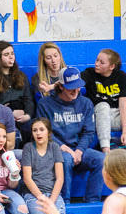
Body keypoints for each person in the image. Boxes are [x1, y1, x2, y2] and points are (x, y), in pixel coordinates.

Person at [36, 66, 105, 203]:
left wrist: (79, 150)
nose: (76, 90)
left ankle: (92, 201)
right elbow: (44, 134)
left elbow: (89, 132)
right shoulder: (45, 104)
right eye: (71, 87)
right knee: (65, 159)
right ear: (60, 86)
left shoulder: (86, 103)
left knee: (101, 159)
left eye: (78, 86)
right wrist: (64, 148)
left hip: (77, 149)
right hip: (54, 150)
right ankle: (64, 201)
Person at [0, 41, 35, 143]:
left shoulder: (21, 76)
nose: (11, 57)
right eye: (6, 55)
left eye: (12, 53)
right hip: (1, 118)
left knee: (36, 128)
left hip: (22, 117)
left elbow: (28, 99)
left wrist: (27, 115)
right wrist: (10, 113)